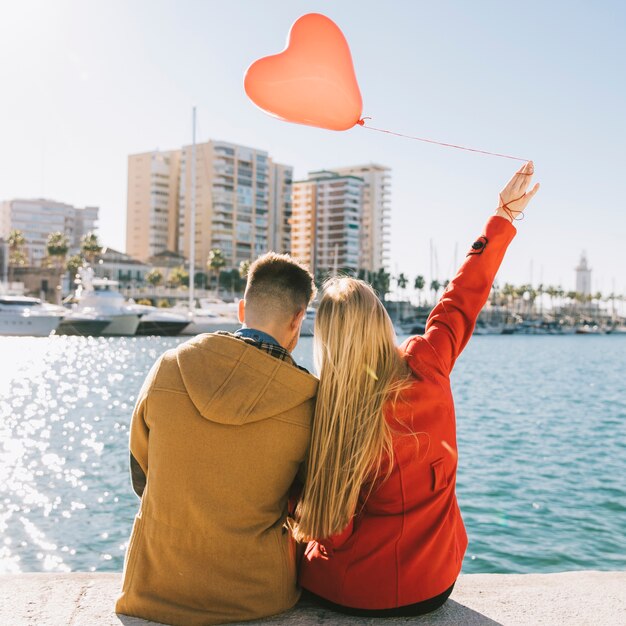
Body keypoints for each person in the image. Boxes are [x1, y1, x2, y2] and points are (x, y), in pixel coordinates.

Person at [295, 161, 540, 617]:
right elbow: (462, 297)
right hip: (432, 585)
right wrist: (503, 216)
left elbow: (331, 533)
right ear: (380, 320)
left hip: (344, 590)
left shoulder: (326, 408)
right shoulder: (428, 363)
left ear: (325, 340)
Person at [116, 253, 318, 626]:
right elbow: (305, 500)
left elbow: (140, 469)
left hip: (156, 586)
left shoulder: (170, 366)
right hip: (258, 594)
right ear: (298, 318)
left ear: (242, 309)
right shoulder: (309, 399)